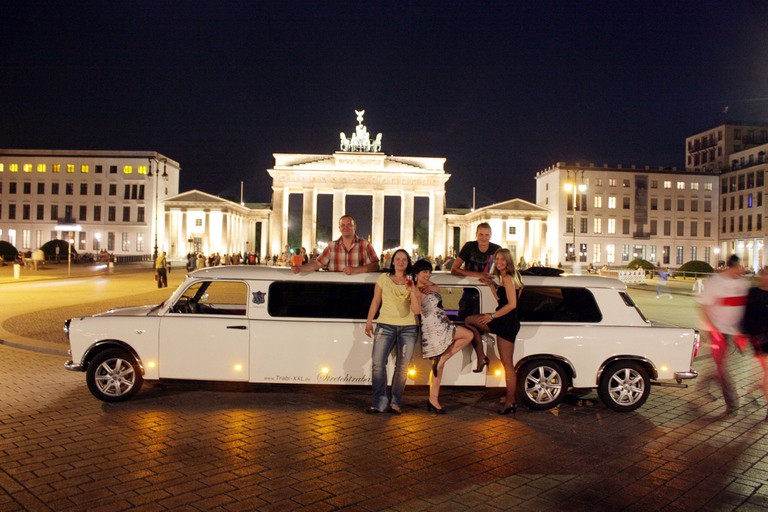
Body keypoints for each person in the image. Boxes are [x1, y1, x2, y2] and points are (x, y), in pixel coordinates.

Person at [408, 259, 476, 414]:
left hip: (442, 323)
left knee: (467, 337)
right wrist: (414, 290)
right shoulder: (415, 291)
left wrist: (428, 285)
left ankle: (443, 359)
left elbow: (437, 292)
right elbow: (417, 311)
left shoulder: (430, 287)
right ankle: (434, 399)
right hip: (432, 329)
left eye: (429, 272)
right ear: (416, 273)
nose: (428, 275)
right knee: (439, 366)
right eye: (424, 272)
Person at [464, 248, 521, 414]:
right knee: (470, 321)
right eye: (497, 259)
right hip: (503, 320)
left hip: (506, 322)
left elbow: (512, 305)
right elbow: (501, 299)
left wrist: (491, 316)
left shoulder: (509, 278)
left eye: (502, 259)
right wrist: (490, 285)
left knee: (507, 363)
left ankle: (510, 401)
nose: (499, 262)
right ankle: (482, 357)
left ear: (509, 261)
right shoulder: (504, 278)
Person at [364, 249, 419, 414]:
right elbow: (376, 301)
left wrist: (413, 291)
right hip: (385, 325)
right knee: (377, 364)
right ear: (392, 262)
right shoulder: (383, 278)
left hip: (409, 327)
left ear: (408, 263)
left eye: (404, 259)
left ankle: (395, 402)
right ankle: (380, 401)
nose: (401, 262)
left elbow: (416, 310)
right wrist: (369, 322)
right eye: (398, 259)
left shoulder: (412, 281)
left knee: (402, 366)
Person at [698, 254, 750, 414]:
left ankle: (702, 386)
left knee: (718, 363)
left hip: (731, 330)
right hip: (715, 330)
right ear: (732, 266)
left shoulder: (743, 284)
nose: (742, 270)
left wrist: (741, 333)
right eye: (739, 267)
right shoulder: (716, 282)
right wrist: (714, 330)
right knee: (722, 366)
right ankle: (732, 403)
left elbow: (744, 309)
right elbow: (703, 307)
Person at [451, 222, 500, 365]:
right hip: (469, 293)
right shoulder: (469, 247)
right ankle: (476, 357)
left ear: (490, 236)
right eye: (481, 234)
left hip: (488, 294)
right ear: (476, 235)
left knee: (477, 325)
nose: (483, 238)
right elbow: (454, 269)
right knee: (467, 324)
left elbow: (504, 271)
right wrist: (478, 275)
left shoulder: (497, 249)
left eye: (486, 235)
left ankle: (481, 357)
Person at [292, 215, 379, 274]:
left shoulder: (365, 245)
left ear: (355, 227)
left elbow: (376, 266)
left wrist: (356, 270)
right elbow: (317, 264)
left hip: (358, 289)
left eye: (349, 225)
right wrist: (299, 268)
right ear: (339, 228)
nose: (346, 227)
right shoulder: (331, 246)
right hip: (335, 290)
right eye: (343, 225)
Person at [741, 267, 768, 419]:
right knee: (765, 372)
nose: (765, 278)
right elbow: (747, 315)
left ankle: (752, 392)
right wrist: (745, 335)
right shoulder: (754, 293)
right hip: (759, 338)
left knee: (762, 374)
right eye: (763, 274)